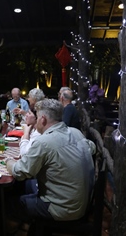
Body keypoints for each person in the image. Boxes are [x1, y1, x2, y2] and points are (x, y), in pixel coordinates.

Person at [5, 99, 95, 234]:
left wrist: (8, 162)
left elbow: (19, 172)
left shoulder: (44, 142)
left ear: (43, 119)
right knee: (28, 185)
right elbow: (92, 147)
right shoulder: (76, 132)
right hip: (82, 203)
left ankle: (22, 229)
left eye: (36, 116)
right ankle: (31, 226)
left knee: (9, 203)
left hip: (62, 209)